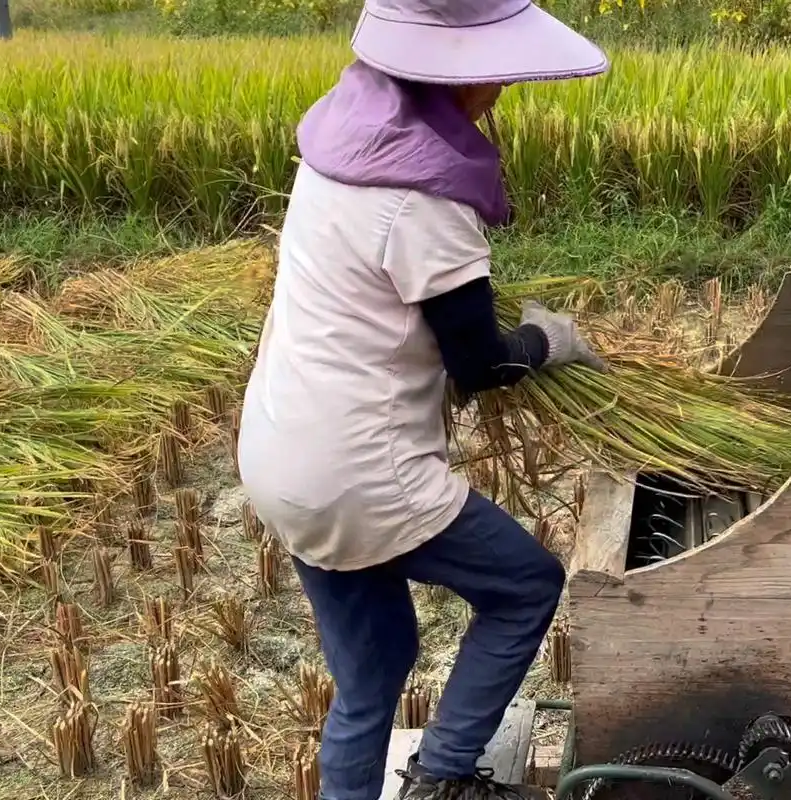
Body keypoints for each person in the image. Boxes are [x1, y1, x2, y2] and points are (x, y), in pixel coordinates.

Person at [235, 2, 610, 799]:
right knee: (527, 586)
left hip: (278, 449)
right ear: (455, 74)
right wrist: (549, 342)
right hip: (358, 470)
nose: (503, 87)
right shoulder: (425, 203)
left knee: (371, 673)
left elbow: (388, 303)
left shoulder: (340, 142)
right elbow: (479, 366)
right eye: (495, 69)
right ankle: (442, 775)